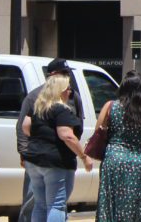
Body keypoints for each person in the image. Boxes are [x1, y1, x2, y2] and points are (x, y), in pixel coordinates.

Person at [21, 73, 91, 222]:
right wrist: (84, 157)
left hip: (33, 161)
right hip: (55, 163)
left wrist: (41, 136)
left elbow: (25, 127)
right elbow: (67, 135)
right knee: (56, 205)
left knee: (40, 205)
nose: (70, 92)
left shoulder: (37, 108)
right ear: (60, 90)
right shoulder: (61, 110)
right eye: (67, 88)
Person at [16, 58, 74, 221]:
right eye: (63, 74)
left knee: (48, 203)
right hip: (42, 158)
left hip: (56, 157)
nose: (66, 78)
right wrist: (24, 152)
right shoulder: (34, 97)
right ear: (52, 76)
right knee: (42, 202)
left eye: (67, 74)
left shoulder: (71, 95)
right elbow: (22, 126)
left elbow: (78, 123)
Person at [96, 71, 141, 221]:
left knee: (112, 203)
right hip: (138, 161)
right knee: (139, 206)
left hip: (113, 160)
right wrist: (134, 139)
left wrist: (117, 139)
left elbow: (98, 131)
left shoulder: (110, 106)